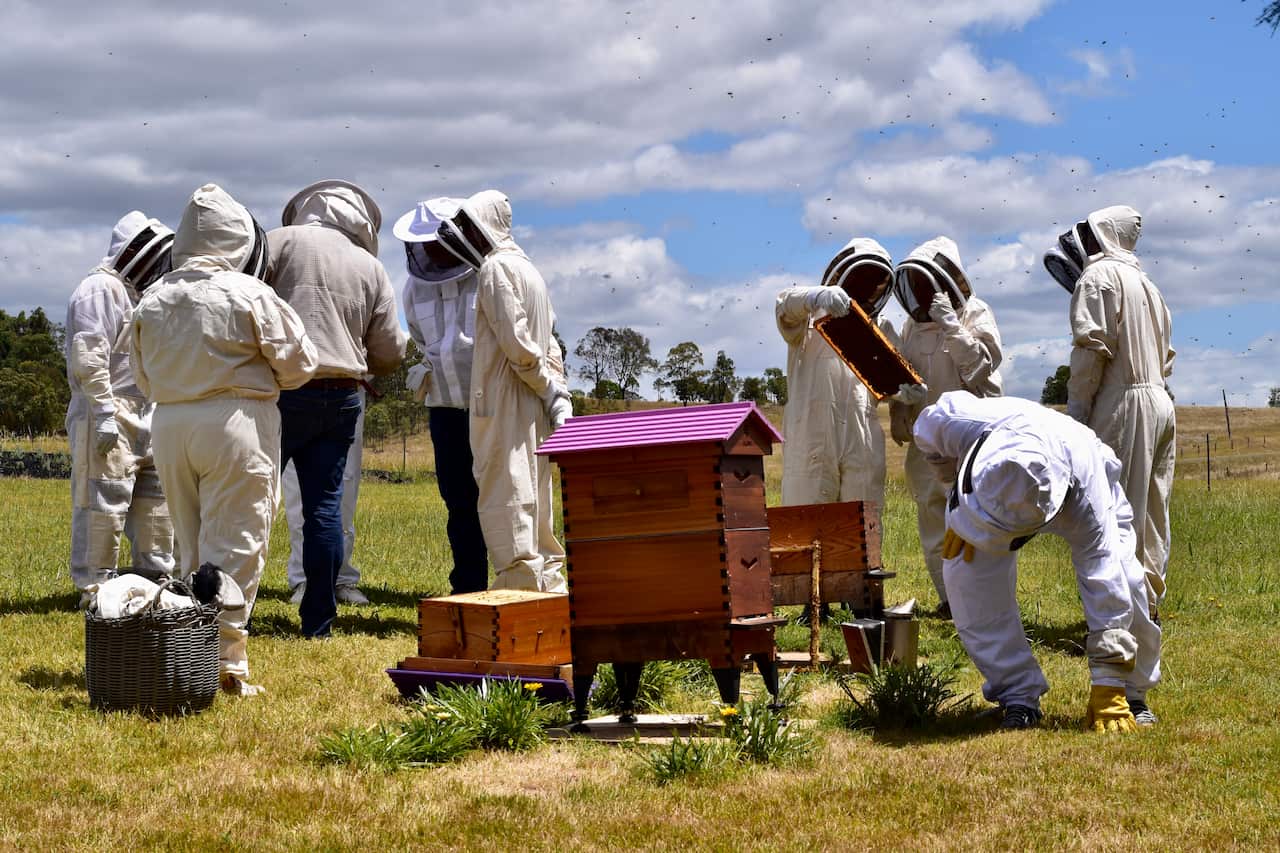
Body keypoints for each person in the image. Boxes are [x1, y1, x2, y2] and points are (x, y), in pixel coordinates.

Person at [130, 183, 318, 696]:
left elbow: (140, 374)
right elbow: (301, 365)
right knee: (235, 544)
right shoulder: (250, 293)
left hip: (168, 424)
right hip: (236, 422)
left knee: (189, 547)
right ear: (237, 239)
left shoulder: (154, 296)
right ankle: (225, 666)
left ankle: (188, 655)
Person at [913, 390, 1161, 731]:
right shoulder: (950, 422)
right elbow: (926, 435)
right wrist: (959, 505)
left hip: (1086, 465)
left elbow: (1107, 586)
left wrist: (1109, 680)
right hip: (986, 487)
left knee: (1126, 579)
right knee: (964, 574)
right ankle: (1017, 696)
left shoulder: (1088, 502)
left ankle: (1131, 694)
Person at [267, 179, 406, 637]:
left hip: (281, 390)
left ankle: (231, 617)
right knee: (325, 508)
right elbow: (389, 351)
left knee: (250, 503)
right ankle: (319, 623)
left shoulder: (275, 243)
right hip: (343, 393)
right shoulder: (368, 265)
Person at [435, 189, 570, 593]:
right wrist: (554, 391)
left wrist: (545, 384)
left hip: (507, 398)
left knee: (508, 498)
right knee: (536, 501)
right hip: (532, 398)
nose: (468, 239)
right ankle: (549, 590)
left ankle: (520, 596)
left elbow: (518, 343)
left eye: (470, 229)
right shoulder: (531, 270)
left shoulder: (496, 270)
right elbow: (548, 342)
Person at [1065, 205, 1175, 612]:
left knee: (1115, 509)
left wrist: (1077, 414)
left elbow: (1091, 351)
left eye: (1090, 234)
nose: (1085, 242)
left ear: (1104, 235)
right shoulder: (1149, 285)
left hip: (1124, 402)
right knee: (1151, 512)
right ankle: (1146, 601)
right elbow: (1166, 358)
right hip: (1161, 401)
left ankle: (1120, 614)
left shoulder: (1098, 277)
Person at [889, 237, 1004, 618]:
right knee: (932, 518)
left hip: (970, 437)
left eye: (927, 285)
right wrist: (899, 407)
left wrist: (952, 324)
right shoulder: (911, 325)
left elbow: (981, 368)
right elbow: (904, 376)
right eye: (915, 286)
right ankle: (949, 601)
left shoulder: (977, 313)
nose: (920, 294)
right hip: (926, 439)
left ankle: (981, 599)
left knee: (972, 517)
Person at [64, 212, 177, 595]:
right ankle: (95, 585)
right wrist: (105, 412)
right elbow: (89, 358)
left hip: (148, 409)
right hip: (107, 409)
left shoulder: (139, 295)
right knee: (103, 498)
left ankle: (155, 578)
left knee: (156, 501)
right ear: (132, 251)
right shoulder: (99, 289)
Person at [775, 237, 922, 509]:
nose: (865, 288)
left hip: (861, 437)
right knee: (805, 526)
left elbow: (895, 377)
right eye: (861, 279)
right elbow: (783, 305)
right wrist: (815, 296)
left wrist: (904, 391)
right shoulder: (810, 316)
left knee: (862, 528)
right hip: (812, 436)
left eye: (872, 283)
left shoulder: (883, 330)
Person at [397, 197, 489, 594]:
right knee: (458, 502)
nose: (431, 250)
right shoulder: (414, 287)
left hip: (492, 407)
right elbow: (420, 339)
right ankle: (468, 586)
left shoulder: (489, 277)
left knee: (500, 499)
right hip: (446, 409)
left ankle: (512, 587)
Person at [281, 401, 365, 605]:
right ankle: (305, 579)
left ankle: (341, 577)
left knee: (346, 485)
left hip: (345, 390)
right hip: (294, 392)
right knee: (297, 491)